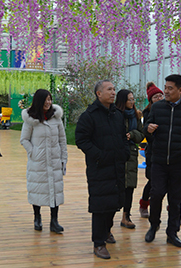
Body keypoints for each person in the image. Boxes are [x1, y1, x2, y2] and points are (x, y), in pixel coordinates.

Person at [75, 80, 130, 260]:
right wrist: (99, 155)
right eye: (109, 89)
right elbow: (81, 140)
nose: (113, 92)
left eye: (114, 89)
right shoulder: (89, 116)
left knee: (115, 202)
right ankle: (99, 243)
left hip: (117, 166)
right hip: (99, 168)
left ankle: (107, 231)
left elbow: (123, 137)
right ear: (99, 94)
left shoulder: (117, 115)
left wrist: (125, 152)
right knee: (100, 206)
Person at [143, 74, 181, 248]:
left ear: (180, 90)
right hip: (159, 161)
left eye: (170, 88)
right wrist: (148, 129)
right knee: (157, 194)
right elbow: (146, 130)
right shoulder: (157, 108)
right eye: (165, 87)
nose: (165, 91)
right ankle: (154, 225)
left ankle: (172, 233)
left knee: (175, 199)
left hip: (180, 163)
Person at [20, 89, 68, 234]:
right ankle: (37, 217)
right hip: (38, 161)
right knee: (37, 189)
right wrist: (34, 152)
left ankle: (54, 221)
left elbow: (62, 140)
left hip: (54, 160)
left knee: (55, 190)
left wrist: (63, 159)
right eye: (46, 99)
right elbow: (24, 139)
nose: (48, 102)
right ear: (38, 101)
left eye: (50, 99)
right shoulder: (31, 119)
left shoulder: (56, 118)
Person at [114, 89, 144, 229]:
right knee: (115, 186)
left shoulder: (136, 116)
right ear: (122, 101)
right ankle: (110, 217)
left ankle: (126, 216)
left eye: (133, 99)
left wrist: (131, 135)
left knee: (129, 187)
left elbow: (141, 134)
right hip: (117, 154)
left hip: (131, 154)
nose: (132, 102)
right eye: (129, 100)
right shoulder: (114, 114)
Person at [139, 82, 164, 218]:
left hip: (167, 152)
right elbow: (146, 134)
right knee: (152, 181)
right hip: (153, 152)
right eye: (156, 97)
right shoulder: (147, 113)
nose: (159, 98)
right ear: (150, 100)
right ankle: (144, 205)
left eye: (161, 95)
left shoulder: (168, 109)